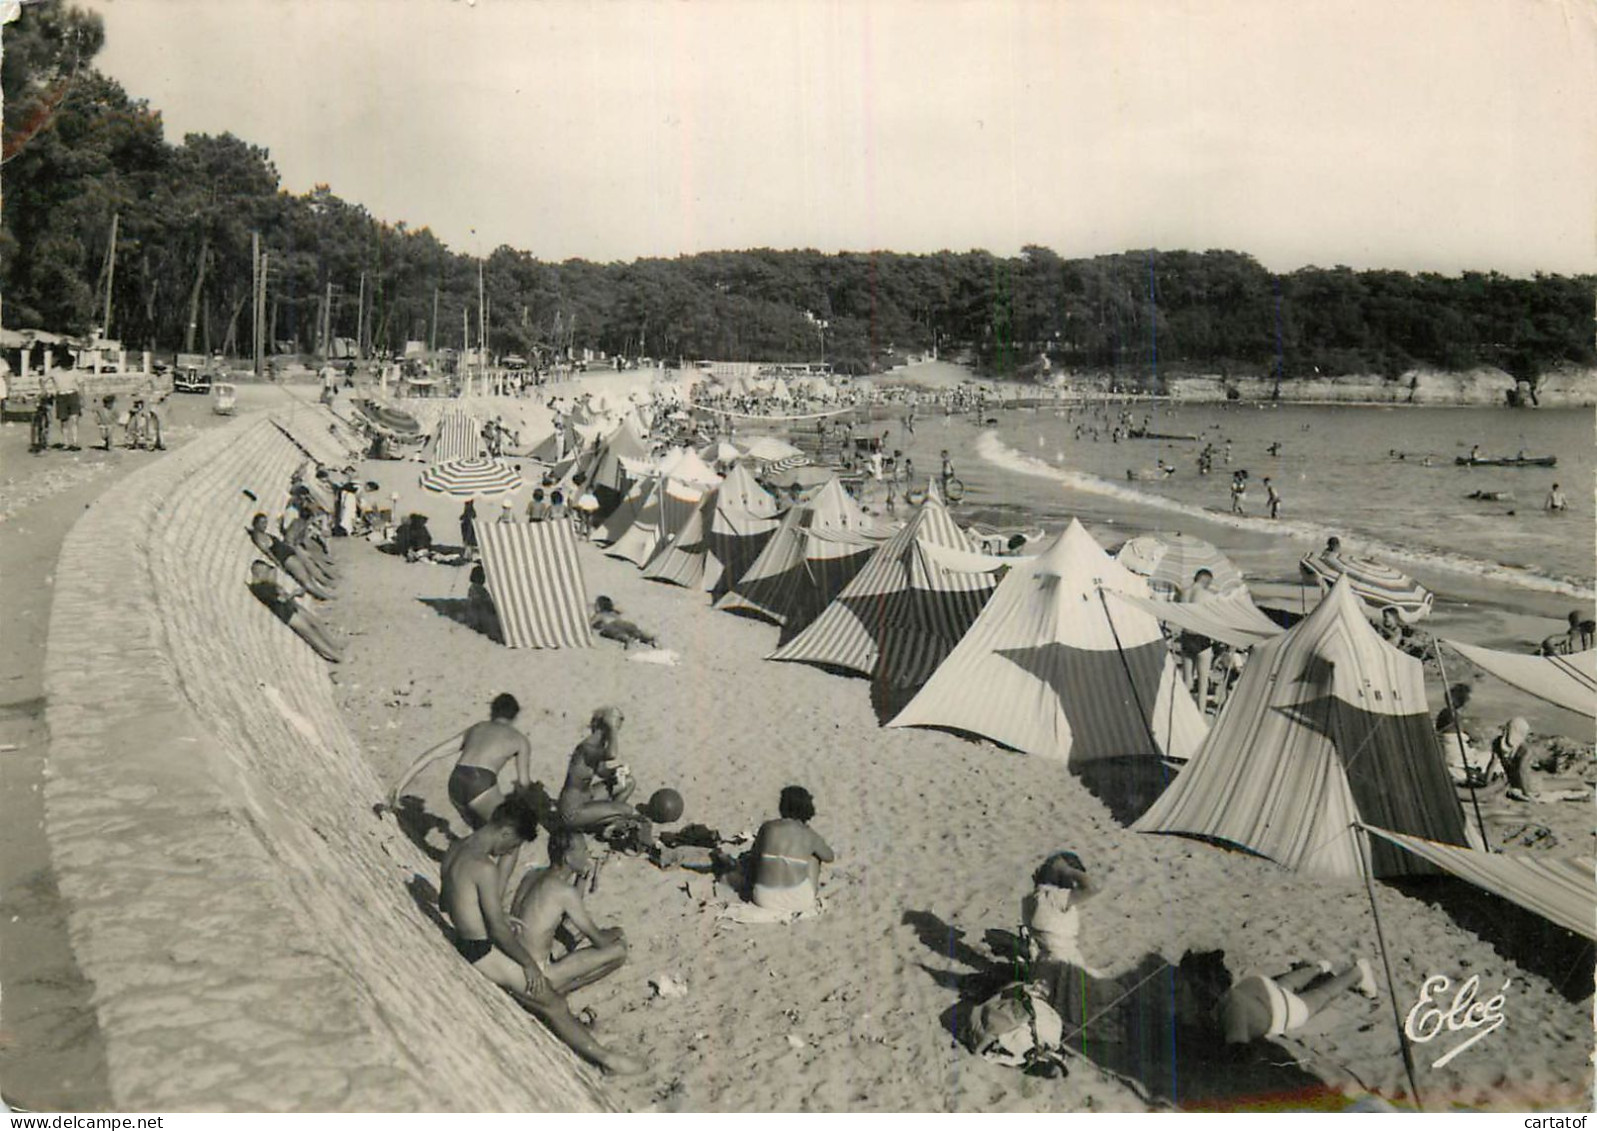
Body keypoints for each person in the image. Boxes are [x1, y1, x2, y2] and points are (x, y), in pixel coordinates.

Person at [439, 796, 644, 1075]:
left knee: (546, 995)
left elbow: (445, 901)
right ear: (506, 832)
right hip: (481, 952)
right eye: (512, 845)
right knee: (555, 1004)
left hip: (469, 940)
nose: (506, 852)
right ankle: (606, 1060)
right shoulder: (484, 867)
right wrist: (527, 964)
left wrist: (491, 917)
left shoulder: (456, 849)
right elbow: (499, 931)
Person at [508, 828, 629, 994]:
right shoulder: (564, 892)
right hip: (533, 976)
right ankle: (559, 993)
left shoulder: (532, 875)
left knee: (574, 933)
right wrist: (618, 931)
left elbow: (568, 915)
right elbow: (600, 941)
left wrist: (582, 878)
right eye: (584, 850)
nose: (588, 854)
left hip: (511, 959)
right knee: (619, 950)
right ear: (569, 858)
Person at [386, 693, 533, 828]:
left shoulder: (477, 728)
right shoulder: (520, 740)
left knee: (482, 830)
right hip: (481, 782)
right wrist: (518, 804)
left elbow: (433, 754)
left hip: (456, 780)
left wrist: (400, 785)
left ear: (493, 711)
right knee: (511, 831)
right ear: (515, 716)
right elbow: (524, 783)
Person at [1216, 958, 1378, 1046]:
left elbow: (1238, 1049)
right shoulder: (1230, 998)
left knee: (1323, 994)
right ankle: (1319, 968)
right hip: (1257, 988)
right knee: (1284, 986)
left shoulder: (1232, 1008)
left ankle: (1358, 972)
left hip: (1282, 1012)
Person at [557, 707, 648, 835]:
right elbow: (612, 754)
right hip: (573, 811)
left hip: (587, 796)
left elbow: (602, 771)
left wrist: (617, 771)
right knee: (627, 810)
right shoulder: (587, 747)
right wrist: (612, 728)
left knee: (629, 782)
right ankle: (609, 819)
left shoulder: (596, 745)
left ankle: (610, 821)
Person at [748, 785, 834, 914]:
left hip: (763, 898)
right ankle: (807, 888)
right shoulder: (809, 834)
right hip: (798, 901)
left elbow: (754, 855)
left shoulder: (767, 827)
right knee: (814, 857)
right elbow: (829, 856)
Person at [247, 561, 344, 662]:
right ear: (258, 573)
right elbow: (281, 599)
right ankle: (337, 656)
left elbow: (274, 574)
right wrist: (294, 594)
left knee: (316, 623)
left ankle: (335, 645)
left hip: (289, 608)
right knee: (312, 635)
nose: (268, 575)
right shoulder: (260, 589)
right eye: (265, 572)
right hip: (288, 615)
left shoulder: (263, 585)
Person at [1497, 718, 1589, 803]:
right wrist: (1527, 794)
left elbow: (1492, 765)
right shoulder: (1525, 750)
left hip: (1513, 781)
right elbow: (1522, 772)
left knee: (1547, 776)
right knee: (1576, 783)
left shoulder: (1497, 744)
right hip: (1530, 785)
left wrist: (1487, 781)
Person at [249, 513, 336, 600]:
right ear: (255, 524)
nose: (265, 525)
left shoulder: (263, 534)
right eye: (262, 523)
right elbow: (268, 553)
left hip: (288, 555)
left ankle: (324, 594)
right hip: (287, 558)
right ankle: (326, 596)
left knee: (308, 577)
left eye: (265, 522)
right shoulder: (258, 537)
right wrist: (279, 564)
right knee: (306, 580)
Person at [590, 595, 658, 649]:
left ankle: (627, 640)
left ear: (598, 607)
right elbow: (621, 611)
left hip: (611, 625)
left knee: (615, 633)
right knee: (636, 632)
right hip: (624, 623)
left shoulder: (600, 615)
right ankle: (650, 638)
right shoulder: (613, 613)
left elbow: (591, 624)